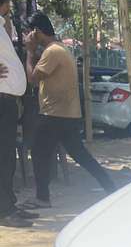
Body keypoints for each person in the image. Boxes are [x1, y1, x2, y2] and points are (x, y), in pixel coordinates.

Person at [23, 11, 115, 208]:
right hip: (66, 114)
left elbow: (32, 78)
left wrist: (29, 52)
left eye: (29, 32)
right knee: (80, 155)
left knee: (39, 153)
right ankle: (111, 188)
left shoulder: (52, 52)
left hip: (53, 114)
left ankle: (42, 198)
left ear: (36, 31)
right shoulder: (58, 49)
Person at [0, 0, 30, 228]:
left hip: (8, 100)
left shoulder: (1, 26)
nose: (10, 6)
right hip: (1, 100)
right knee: (3, 156)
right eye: (8, 1)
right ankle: (5, 210)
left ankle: (9, 204)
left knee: (7, 155)